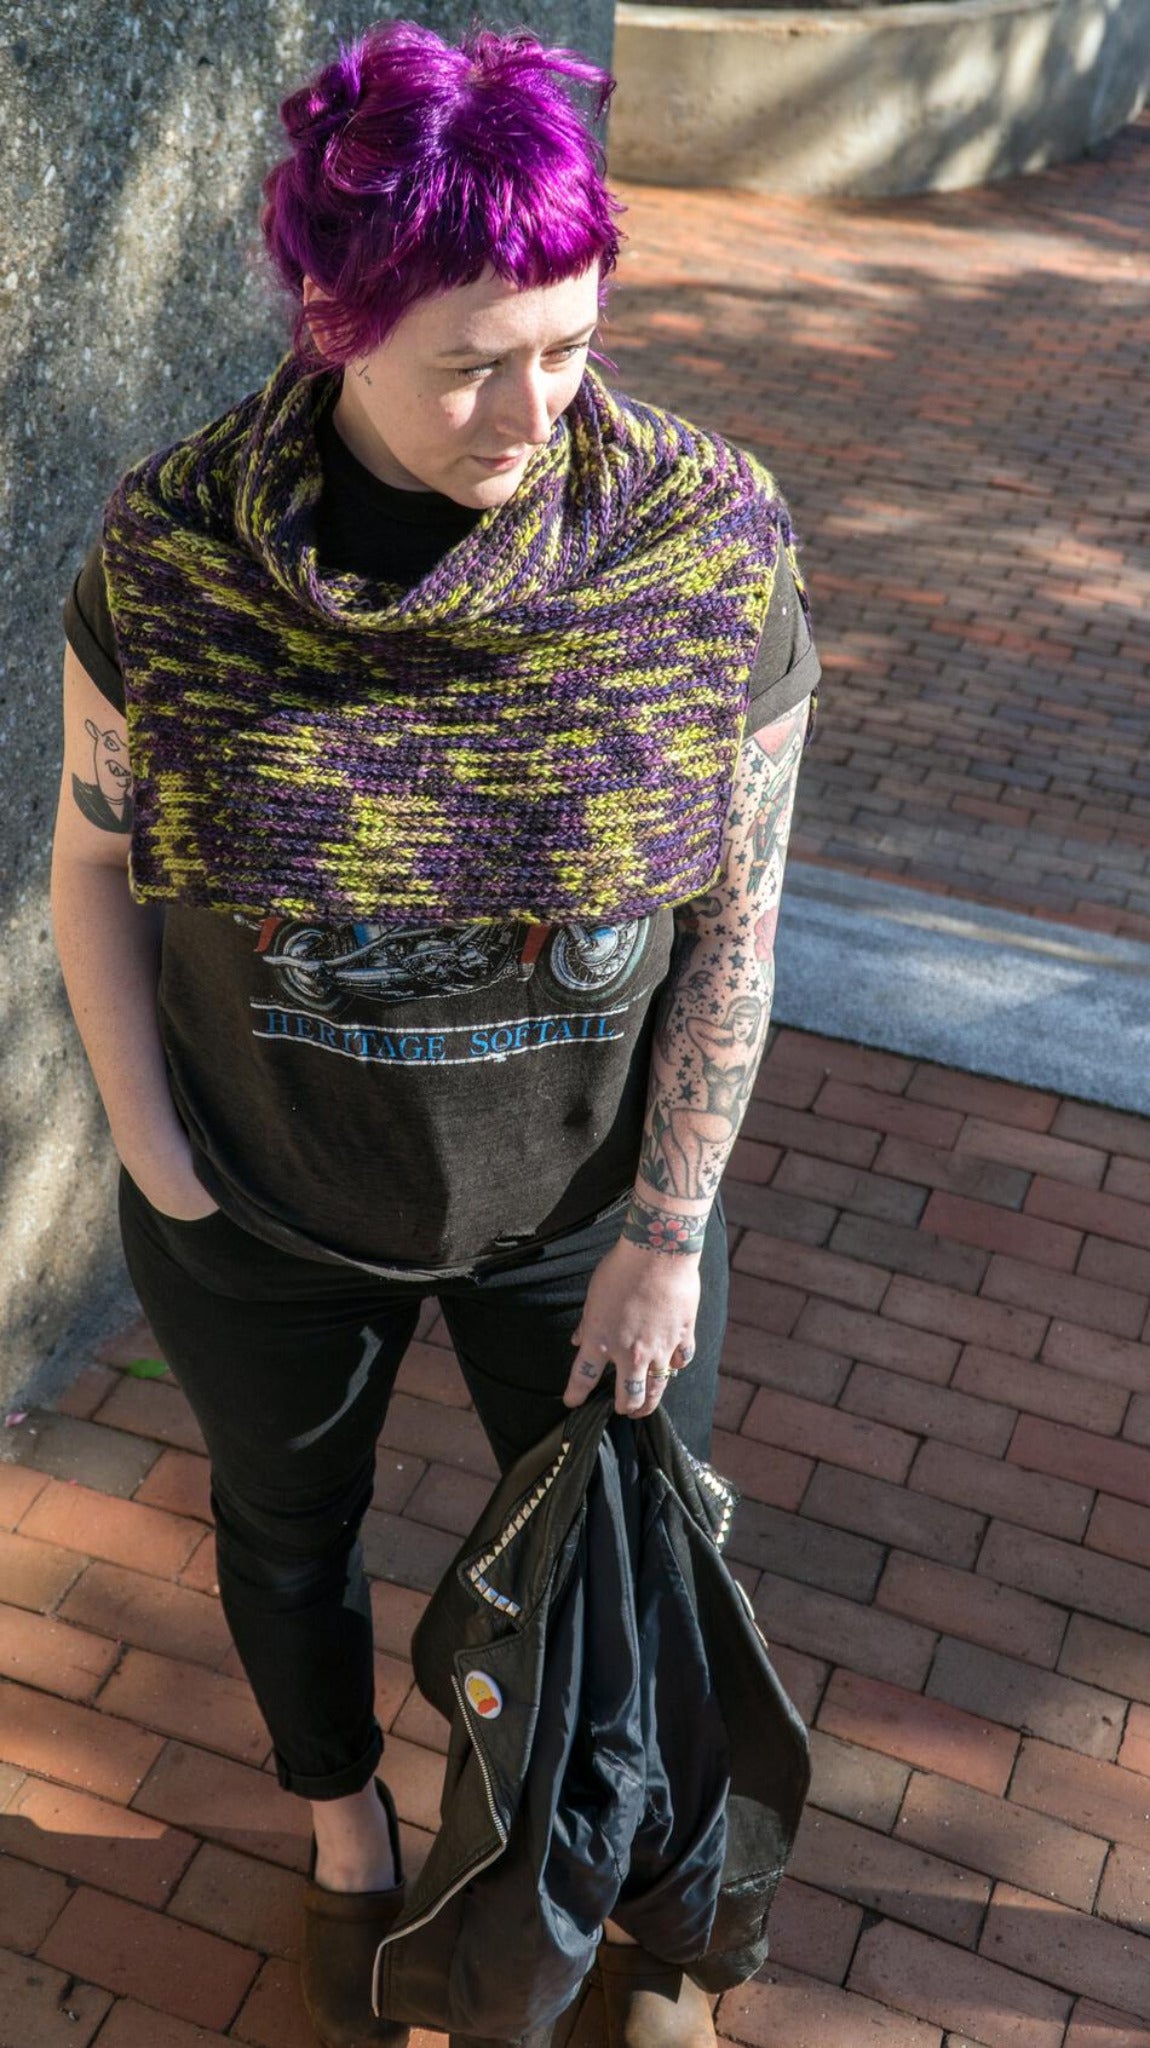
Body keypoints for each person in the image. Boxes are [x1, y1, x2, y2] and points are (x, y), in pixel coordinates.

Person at [50, 21, 820, 2048]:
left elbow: (739, 911)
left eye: (565, 342)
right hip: (263, 1203)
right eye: (469, 356)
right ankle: (344, 1846)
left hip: (579, 1207)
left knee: (616, 1567)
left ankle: (627, 1900)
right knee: (283, 1538)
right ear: (332, 316)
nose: (528, 406)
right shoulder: (176, 551)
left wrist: (664, 1227)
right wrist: (149, 1144)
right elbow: (92, 861)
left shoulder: (696, 542)